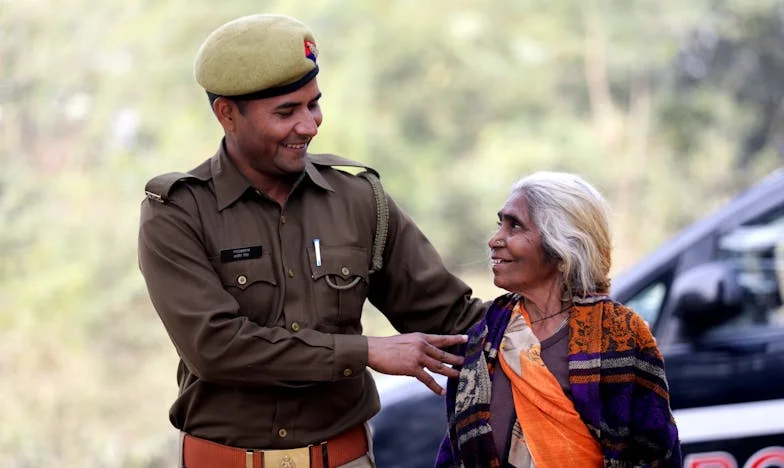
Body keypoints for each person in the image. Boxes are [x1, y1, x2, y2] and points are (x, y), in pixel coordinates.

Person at [137, 13, 485, 468]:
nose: (309, 125)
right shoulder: (178, 212)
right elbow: (217, 348)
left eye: (313, 104)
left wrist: (560, 312)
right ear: (227, 114)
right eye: (286, 112)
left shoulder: (360, 198)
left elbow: (452, 317)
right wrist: (365, 352)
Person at [436, 172, 682, 467]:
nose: (494, 239)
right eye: (500, 224)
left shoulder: (620, 334)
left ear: (561, 246)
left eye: (514, 225)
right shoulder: (488, 332)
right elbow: (456, 449)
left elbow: (656, 455)